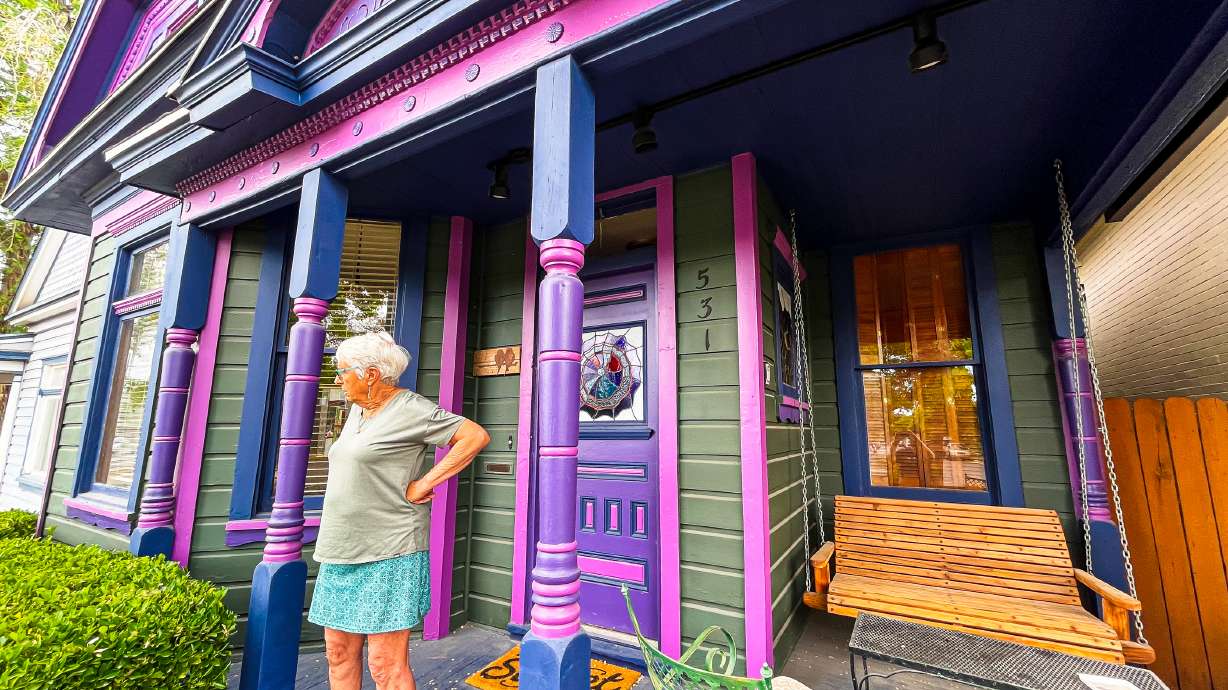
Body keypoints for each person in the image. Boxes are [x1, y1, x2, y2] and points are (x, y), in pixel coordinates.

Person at [307, 332, 490, 690]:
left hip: (390, 550)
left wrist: (426, 482)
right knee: (338, 654)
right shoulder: (358, 410)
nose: (338, 379)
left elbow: (474, 436)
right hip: (340, 549)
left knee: (384, 664)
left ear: (371, 374)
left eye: (344, 371)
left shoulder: (411, 410)